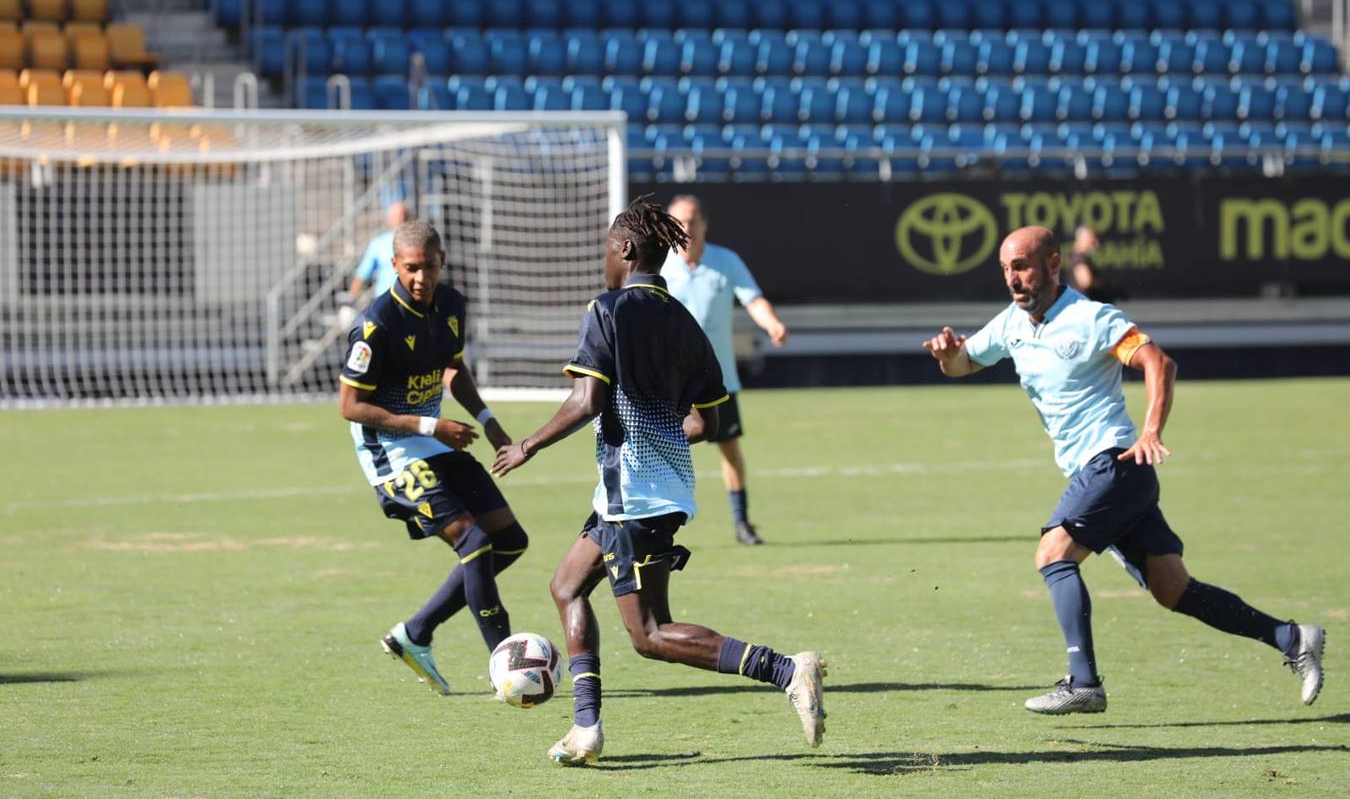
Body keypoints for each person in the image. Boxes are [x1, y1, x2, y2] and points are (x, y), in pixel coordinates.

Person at [922, 225, 1324, 715]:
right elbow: (965, 362)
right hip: (1103, 476)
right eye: (1006, 269)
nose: (1013, 278)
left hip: (1114, 462)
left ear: (1053, 265)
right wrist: (947, 358)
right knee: (1174, 590)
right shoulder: (1011, 324)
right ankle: (1292, 637)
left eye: (1023, 266)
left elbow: (1160, 363)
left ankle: (1084, 682)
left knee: (1053, 554)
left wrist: (1151, 430)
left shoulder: (1093, 318)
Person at [491, 201, 825, 765]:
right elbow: (708, 422)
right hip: (647, 492)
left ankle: (787, 670)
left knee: (650, 634)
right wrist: (660, 433)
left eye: (605, 246)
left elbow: (587, 398)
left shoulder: (608, 309)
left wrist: (527, 444)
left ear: (623, 250)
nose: (603, 257)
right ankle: (586, 727)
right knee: (567, 586)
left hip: (636, 498)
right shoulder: (686, 321)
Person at [338, 219, 527, 696]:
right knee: (476, 542)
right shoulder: (376, 324)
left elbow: (454, 369)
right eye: (411, 269)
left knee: (509, 540)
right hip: (391, 452)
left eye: (429, 267)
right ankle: (505, 663)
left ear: (443, 262)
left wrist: (487, 420)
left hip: (435, 439)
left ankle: (415, 633)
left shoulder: (452, 305)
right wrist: (431, 425)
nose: (421, 278)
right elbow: (350, 406)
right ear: (396, 266)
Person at [661, 194, 789, 546]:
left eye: (692, 220)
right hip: (669, 384)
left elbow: (753, 299)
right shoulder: (660, 265)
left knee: (729, 449)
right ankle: (658, 526)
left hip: (718, 380)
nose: (686, 228)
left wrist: (772, 324)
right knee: (661, 450)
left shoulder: (725, 261)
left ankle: (741, 523)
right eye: (679, 222)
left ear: (704, 223)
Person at [349, 202, 410, 302]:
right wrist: (350, 303)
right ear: (389, 218)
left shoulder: (417, 242)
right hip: (386, 302)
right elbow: (362, 274)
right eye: (396, 216)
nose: (400, 219)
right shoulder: (379, 243)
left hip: (411, 302)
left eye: (403, 215)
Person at [1066, 225, 1121, 305]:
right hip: (1085, 307)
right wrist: (1104, 284)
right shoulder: (1079, 258)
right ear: (1082, 239)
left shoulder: (1081, 258)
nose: (1096, 244)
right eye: (1092, 240)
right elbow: (1086, 281)